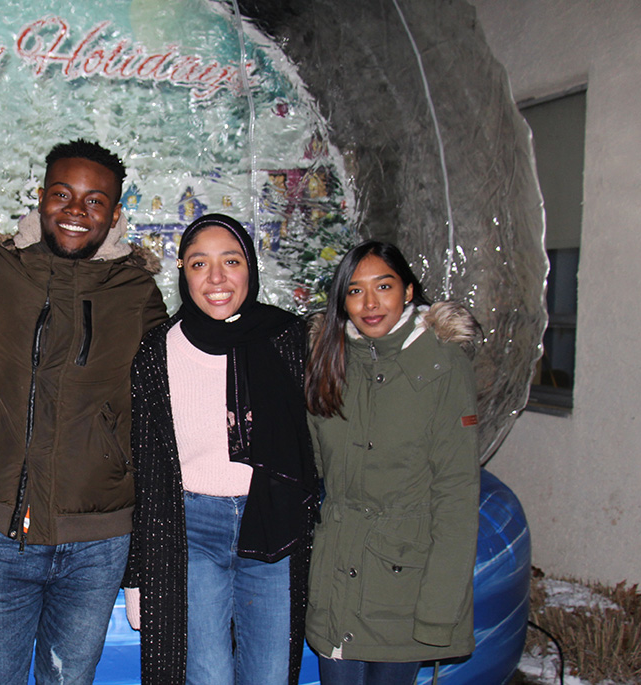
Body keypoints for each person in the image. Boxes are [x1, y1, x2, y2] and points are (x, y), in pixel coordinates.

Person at [0, 139, 168, 684]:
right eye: (63, 194)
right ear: (41, 198)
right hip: (0, 532)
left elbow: (164, 402)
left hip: (99, 541)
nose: (76, 211)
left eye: (95, 201)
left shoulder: (136, 290)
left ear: (115, 215)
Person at [123, 214, 318, 684]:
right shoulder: (157, 351)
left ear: (249, 268)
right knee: (206, 675)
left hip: (271, 525)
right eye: (198, 263)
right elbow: (147, 470)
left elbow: (322, 440)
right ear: (182, 273)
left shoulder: (290, 339)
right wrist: (137, 573)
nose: (216, 278)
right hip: (190, 530)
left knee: (270, 676)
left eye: (230, 261)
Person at [303, 241, 481, 684]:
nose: (370, 303)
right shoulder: (329, 361)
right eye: (355, 291)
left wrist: (441, 610)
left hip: (405, 581)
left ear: (408, 291)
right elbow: (311, 466)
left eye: (383, 286)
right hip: (336, 574)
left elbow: (456, 495)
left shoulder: (442, 366)